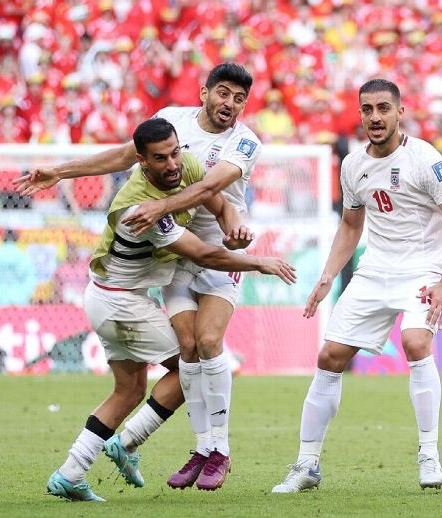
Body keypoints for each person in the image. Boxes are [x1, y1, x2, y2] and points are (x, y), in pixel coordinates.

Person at [16, 63, 261, 490]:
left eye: (239, 98)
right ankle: (172, 446)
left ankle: (203, 450)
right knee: (193, 356)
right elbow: (121, 153)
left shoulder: (243, 141)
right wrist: (62, 171)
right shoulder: (165, 140)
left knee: (168, 367)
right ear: (204, 93)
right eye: (223, 93)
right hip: (178, 259)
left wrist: (234, 222)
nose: (230, 104)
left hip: (215, 252)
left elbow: (212, 192)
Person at [47, 118, 296, 501]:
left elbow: (219, 203)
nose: (172, 164)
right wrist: (257, 261)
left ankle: (71, 472)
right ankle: (139, 442)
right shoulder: (137, 209)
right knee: (191, 369)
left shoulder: (187, 165)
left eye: (175, 152)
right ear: (142, 163)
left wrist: (235, 226)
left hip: (110, 296)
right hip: (120, 304)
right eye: (160, 158)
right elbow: (203, 254)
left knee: (129, 391)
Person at [271, 79, 442, 493]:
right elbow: (351, 225)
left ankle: (429, 454)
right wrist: (326, 277)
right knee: (330, 356)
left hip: (424, 269)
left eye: (383, 109)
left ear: (400, 112)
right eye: (368, 109)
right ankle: (306, 465)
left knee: (415, 342)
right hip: (375, 270)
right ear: (360, 113)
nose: (375, 117)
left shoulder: (425, 159)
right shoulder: (353, 164)